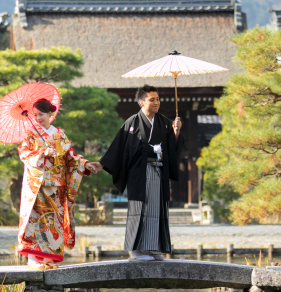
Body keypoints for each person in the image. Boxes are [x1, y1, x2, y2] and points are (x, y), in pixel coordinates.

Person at [99, 84, 182, 261]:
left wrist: (176, 132)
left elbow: (173, 150)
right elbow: (118, 147)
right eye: (152, 100)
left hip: (158, 172)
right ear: (141, 102)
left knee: (156, 209)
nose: (156, 103)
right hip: (139, 174)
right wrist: (100, 164)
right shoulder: (132, 123)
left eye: (158, 99)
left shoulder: (165, 123)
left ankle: (152, 249)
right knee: (139, 210)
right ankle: (136, 251)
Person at [17, 98, 101, 270]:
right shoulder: (31, 134)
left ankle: (48, 258)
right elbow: (24, 154)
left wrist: (85, 164)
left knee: (53, 222)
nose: (38, 118)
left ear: (50, 113)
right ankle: (33, 257)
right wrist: (43, 152)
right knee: (35, 220)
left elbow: (70, 157)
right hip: (38, 185)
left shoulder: (59, 134)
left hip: (56, 186)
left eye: (41, 114)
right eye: (35, 115)